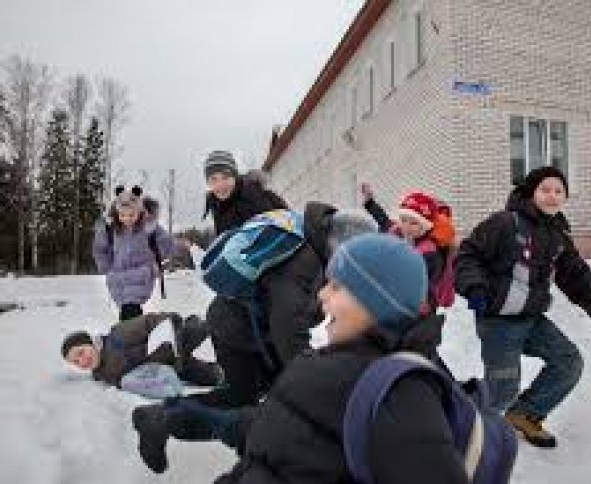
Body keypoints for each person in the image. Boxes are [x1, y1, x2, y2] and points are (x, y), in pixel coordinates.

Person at [135, 234, 470, 483]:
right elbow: (302, 432)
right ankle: (169, 417)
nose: (323, 294)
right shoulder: (350, 358)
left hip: (271, 407)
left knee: (239, 403)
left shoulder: (400, 394)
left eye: (337, 287)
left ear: (376, 302)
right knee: (238, 413)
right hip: (267, 432)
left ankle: (168, 417)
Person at [130, 203, 379, 473]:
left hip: (241, 324)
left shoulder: (309, 242)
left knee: (246, 397)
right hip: (236, 329)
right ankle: (170, 422)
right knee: (255, 400)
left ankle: (164, 418)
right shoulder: (303, 263)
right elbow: (290, 326)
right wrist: (312, 379)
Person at [455, 166, 591, 448]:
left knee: (568, 363)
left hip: (531, 319)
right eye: (546, 190)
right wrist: (475, 288)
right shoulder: (506, 223)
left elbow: (575, 274)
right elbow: (469, 255)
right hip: (498, 321)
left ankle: (525, 414)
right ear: (532, 192)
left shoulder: (558, 235)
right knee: (502, 390)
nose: (552, 197)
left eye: (559, 191)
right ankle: (464, 426)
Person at [360, 183, 456, 347]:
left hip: (420, 314)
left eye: (414, 223)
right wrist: (370, 204)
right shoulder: (404, 235)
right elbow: (386, 224)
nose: (407, 227)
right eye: (404, 220)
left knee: (417, 350)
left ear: (425, 225)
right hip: (404, 310)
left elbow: (415, 284)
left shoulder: (429, 252)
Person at [61, 312, 223, 394]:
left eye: (81, 352)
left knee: (205, 328)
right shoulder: (101, 374)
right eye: (76, 362)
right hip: (173, 368)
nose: (82, 361)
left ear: (91, 343)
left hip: (175, 342)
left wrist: (173, 332)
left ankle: (220, 322)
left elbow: (152, 321)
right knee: (214, 377)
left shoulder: (118, 336)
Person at [92, 185, 182, 321]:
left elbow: (167, 245)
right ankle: (136, 336)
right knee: (127, 313)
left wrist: (154, 266)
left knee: (130, 310)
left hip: (141, 276)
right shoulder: (110, 229)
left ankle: (133, 336)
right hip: (118, 278)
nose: (127, 219)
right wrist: (106, 267)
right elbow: (100, 249)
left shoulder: (149, 228)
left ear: (139, 212)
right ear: (117, 213)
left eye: (131, 215)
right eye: (122, 215)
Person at [202, 150, 288, 238]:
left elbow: (282, 226)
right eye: (213, 179)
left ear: (235, 176)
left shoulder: (253, 192)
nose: (220, 185)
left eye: (225, 177)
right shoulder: (215, 205)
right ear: (208, 183)